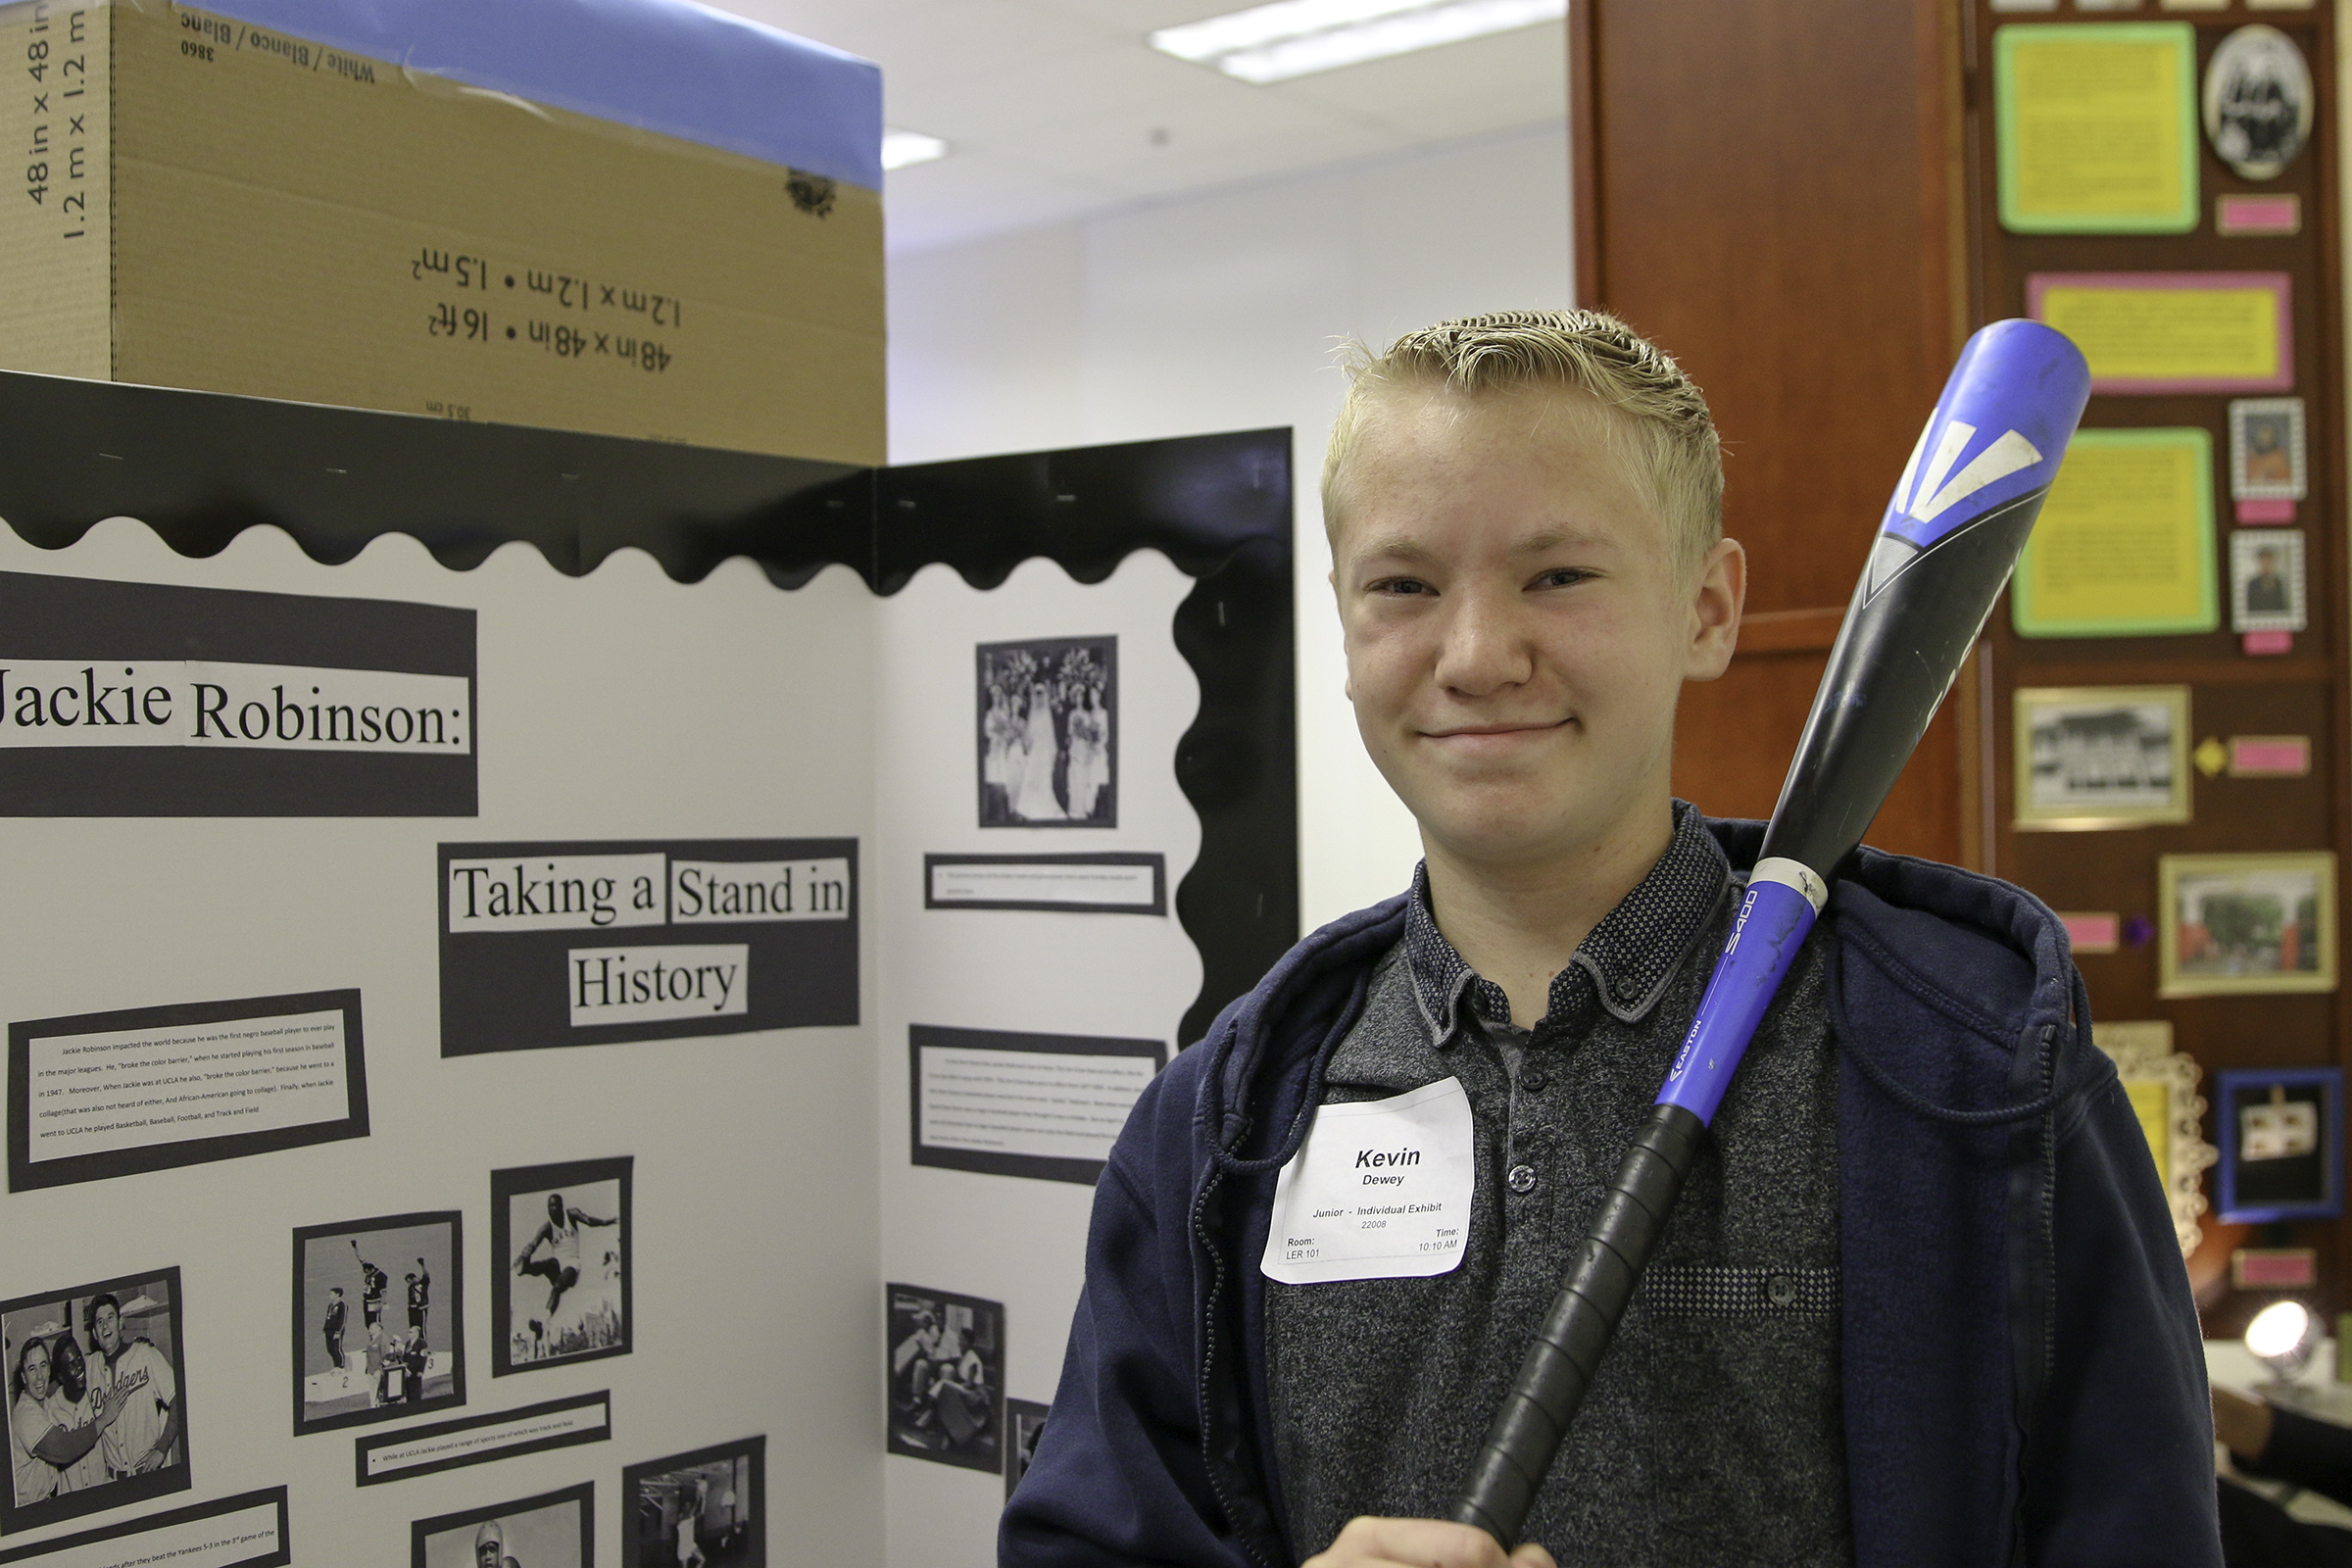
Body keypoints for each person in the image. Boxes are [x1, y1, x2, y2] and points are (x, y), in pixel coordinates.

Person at [1000, 311, 2217, 1567]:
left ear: (1707, 608)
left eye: (1558, 576)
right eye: (1405, 585)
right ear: (1347, 625)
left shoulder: (1969, 1067)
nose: (1477, 656)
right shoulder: (1222, 1123)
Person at [11, 1334, 123, 1504]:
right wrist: (104, 1419)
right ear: (24, 1376)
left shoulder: (45, 1404)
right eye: (32, 1369)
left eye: (43, 1366)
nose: (39, 1376)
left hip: (46, 1501)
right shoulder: (25, 1414)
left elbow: (52, 1387)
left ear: (50, 1370)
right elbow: (63, 1448)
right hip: (28, 1507)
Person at [87, 1294, 178, 1479]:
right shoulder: (90, 1366)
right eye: (99, 1322)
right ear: (95, 1334)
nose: (105, 1326)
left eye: (110, 1318)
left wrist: (162, 1448)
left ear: (121, 1323)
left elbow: (179, 1400)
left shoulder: (145, 1354)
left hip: (148, 1473)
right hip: (112, 1480)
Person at [514, 1191, 617, 1342]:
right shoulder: (546, 1228)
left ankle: (542, 1323)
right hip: (557, 1263)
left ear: (562, 1207)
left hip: (572, 1265)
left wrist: (604, 1222)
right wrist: (526, 1253)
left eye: (555, 1206)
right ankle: (525, 1269)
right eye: (550, 1206)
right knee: (547, 1263)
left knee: (557, 1288)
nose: (553, 1209)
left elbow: (588, 1220)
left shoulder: (571, 1215)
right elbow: (534, 1243)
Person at [353, 1240, 390, 1376]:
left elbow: (384, 1291)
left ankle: (378, 1344)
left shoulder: (381, 1276)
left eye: (367, 1273)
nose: (366, 1275)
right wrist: (355, 1246)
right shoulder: (368, 1269)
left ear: (371, 1270)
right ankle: (372, 1342)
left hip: (375, 1303)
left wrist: (382, 1303)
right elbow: (361, 1258)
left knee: (375, 1324)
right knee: (368, 1324)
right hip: (366, 1301)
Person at [2247, 547, 2291, 615]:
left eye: (2269, 561)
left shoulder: (2278, 582)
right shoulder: (2253, 583)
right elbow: (2250, 607)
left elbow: (2282, 605)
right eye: (2264, 562)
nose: (2266, 564)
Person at [406, 1258, 431, 1351]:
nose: (409, 1283)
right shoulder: (410, 1288)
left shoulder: (422, 1283)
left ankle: (424, 1347)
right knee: (413, 1328)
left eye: (409, 1281)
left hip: (421, 1310)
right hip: (413, 1311)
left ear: (413, 1279)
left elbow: (426, 1275)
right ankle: (415, 1346)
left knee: (421, 1328)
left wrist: (422, 1265)